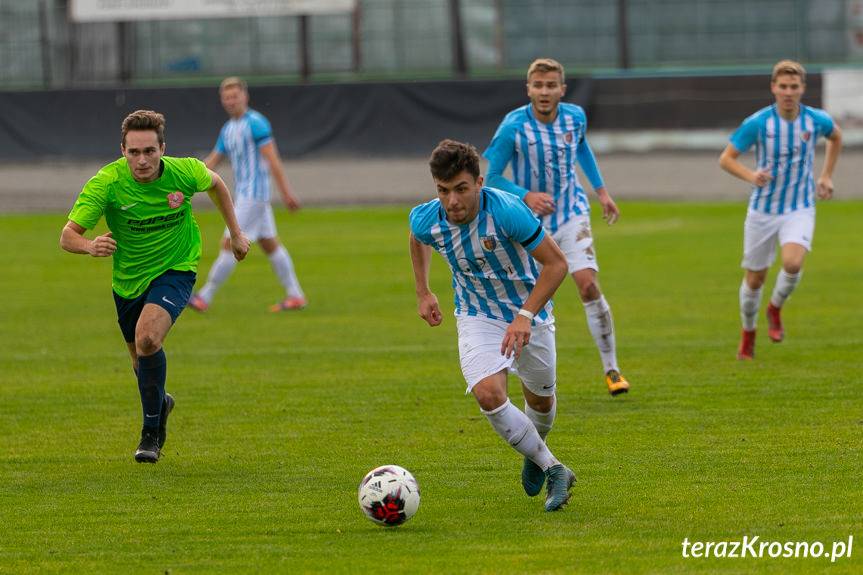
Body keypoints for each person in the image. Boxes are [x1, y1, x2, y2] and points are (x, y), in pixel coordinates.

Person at [60, 110, 250, 463]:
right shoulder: (106, 183)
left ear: (163, 148)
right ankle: (161, 403)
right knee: (138, 360)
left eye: (149, 151)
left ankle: (151, 433)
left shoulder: (185, 171)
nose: (142, 160)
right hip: (129, 281)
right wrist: (89, 246)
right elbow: (67, 236)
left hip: (176, 269)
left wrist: (236, 234)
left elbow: (217, 184)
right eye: (134, 152)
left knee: (148, 338)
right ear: (123, 150)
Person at [409, 139, 575, 512]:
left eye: (461, 189)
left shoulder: (507, 212)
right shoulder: (427, 218)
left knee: (541, 404)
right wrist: (423, 291)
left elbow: (557, 264)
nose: (452, 201)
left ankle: (534, 452)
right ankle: (554, 469)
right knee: (487, 393)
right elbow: (417, 238)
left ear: (479, 183)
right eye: (443, 191)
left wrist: (525, 315)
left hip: (531, 313)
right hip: (476, 316)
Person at [483, 58, 630, 396]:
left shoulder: (575, 117)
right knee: (529, 302)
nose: (545, 92)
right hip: (528, 224)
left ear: (562, 89)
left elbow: (581, 148)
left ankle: (612, 369)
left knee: (588, 285)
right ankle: (527, 377)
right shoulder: (513, 126)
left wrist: (602, 192)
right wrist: (526, 195)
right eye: (538, 85)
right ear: (529, 89)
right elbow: (490, 177)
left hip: (571, 212)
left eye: (551, 86)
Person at [719, 60, 842, 360]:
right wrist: (752, 176)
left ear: (802, 89)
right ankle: (748, 332)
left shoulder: (815, 120)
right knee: (754, 280)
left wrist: (826, 175)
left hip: (799, 207)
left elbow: (836, 137)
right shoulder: (759, 123)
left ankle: (775, 307)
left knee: (792, 263)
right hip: (763, 210)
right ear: (774, 88)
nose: (788, 92)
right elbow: (726, 159)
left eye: (794, 87)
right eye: (783, 87)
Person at [188, 76, 306, 313]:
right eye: (227, 97)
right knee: (269, 244)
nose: (231, 101)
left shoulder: (256, 123)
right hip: (246, 195)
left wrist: (286, 193)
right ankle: (296, 295)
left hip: (254, 195)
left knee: (230, 242)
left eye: (235, 96)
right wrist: (186, 180)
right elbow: (213, 161)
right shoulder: (228, 129)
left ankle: (204, 296)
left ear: (245, 96)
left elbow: (273, 160)